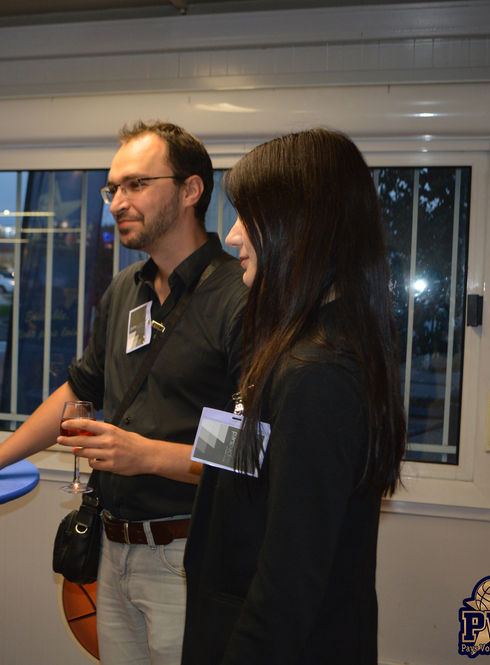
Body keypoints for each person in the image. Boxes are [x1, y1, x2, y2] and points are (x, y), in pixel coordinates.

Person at [0, 121, 247, 665]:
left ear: (191, 191)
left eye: (137, 184)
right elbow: (79, 389)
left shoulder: (235, 295)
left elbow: (247, 446)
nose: (118, 202)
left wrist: (145, 455)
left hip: (189, 554)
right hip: (113, 549)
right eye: (113, 188)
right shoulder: (127, 289)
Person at [181, 128, 407, 665]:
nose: (232, 236)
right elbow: (241, 468)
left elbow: (289, 580)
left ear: (299, 225)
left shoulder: (318, 372)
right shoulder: (291, 343)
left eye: (247, 217)